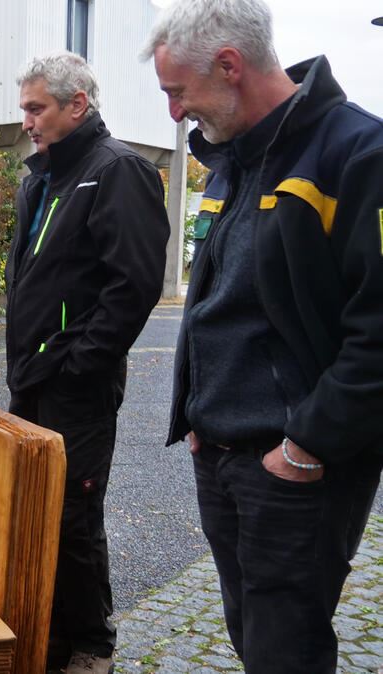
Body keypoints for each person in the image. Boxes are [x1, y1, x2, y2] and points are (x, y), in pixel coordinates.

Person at [142, 1, 383, 672]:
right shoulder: (234, 159)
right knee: (253, 634)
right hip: (220, 452)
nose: (174, 113)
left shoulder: (359, 153)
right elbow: (219, 302)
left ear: (229, 66)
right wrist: (195, 413)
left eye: (177, 92)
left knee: (287, 650)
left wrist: (307, 445)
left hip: (297, 466)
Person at [4, 52, 169, 674]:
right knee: (39, 508)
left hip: (76, 384)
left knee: (74, 514)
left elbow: (133, 287)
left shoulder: (119, 169)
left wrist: (79, 363)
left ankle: (92, 644)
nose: (27, 123)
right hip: (32, 378)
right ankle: (49, 633)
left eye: (36, 108)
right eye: (24, 109)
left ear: (78, 104)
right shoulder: (40, 176)